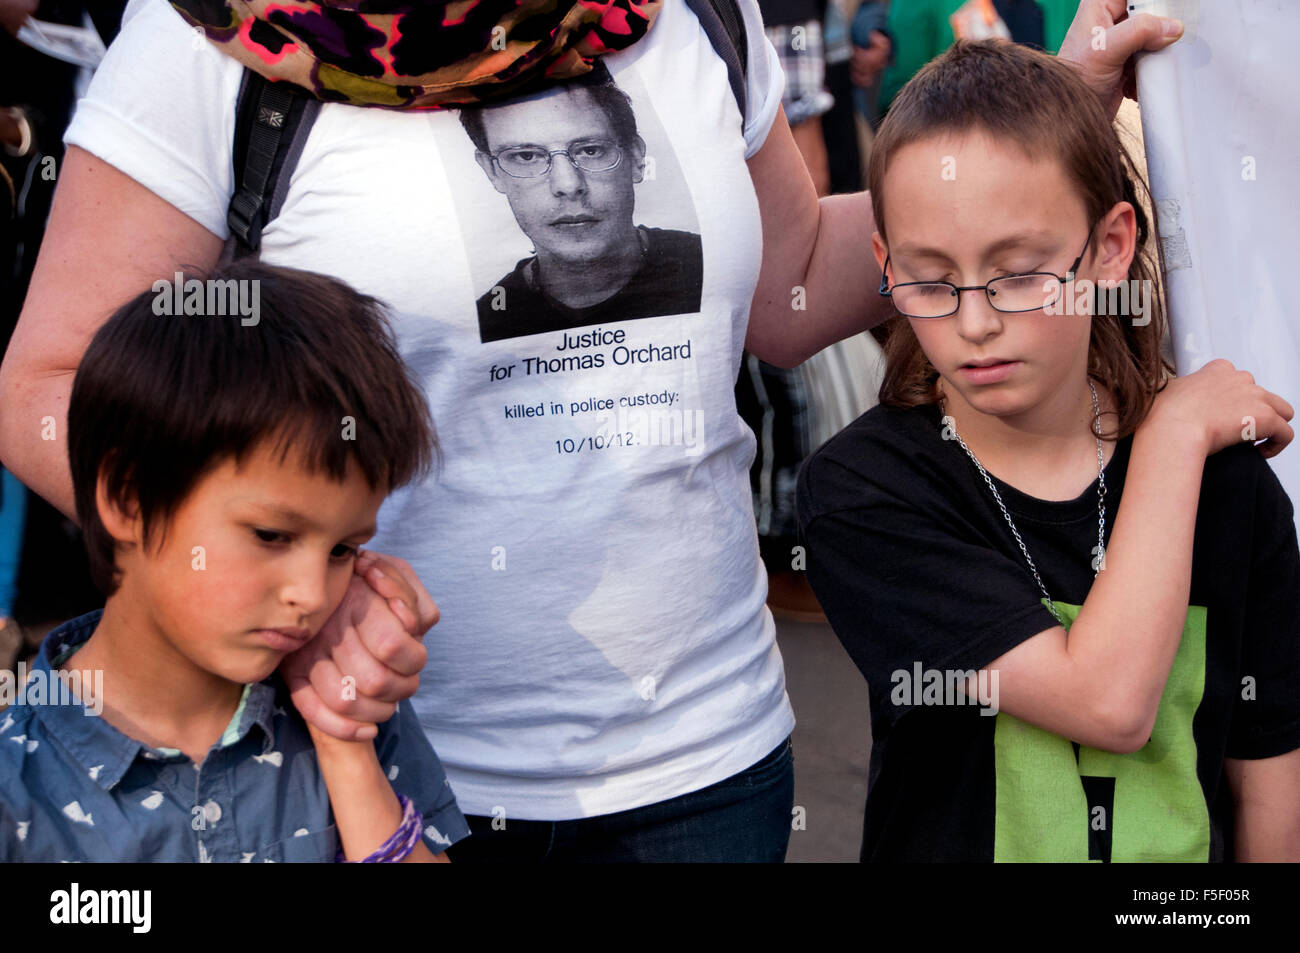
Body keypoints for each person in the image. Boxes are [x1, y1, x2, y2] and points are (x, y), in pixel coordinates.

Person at [0, 0, 1187, 863]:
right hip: (384, 772)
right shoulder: (214, 41)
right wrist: (291, 576)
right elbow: (49, 382)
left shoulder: (694, 19)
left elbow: (790, 288)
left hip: (711, 765)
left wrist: (1051, 129)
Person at [796, 40, 1300, 862]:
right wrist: (1172, 432)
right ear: (883, 265)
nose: (975, 322)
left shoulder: (1233, 488)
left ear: (1109, 247)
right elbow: (1108, 702)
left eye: (1021, 272)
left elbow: (1268, 779)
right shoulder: (865, 490)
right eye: (930, 279)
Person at [0, 260, 470, 861]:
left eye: (342, 550)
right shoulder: (19, 788)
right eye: (272, 535)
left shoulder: (355, 714)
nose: (311, 593)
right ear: (127, 498)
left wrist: (343, 746)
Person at [461, 63, 703, 343]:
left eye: (591, 150)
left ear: (637, 158)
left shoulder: (711, 268)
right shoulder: (486, 322)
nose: (568, 185)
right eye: (526, 156)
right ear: (492, 172)